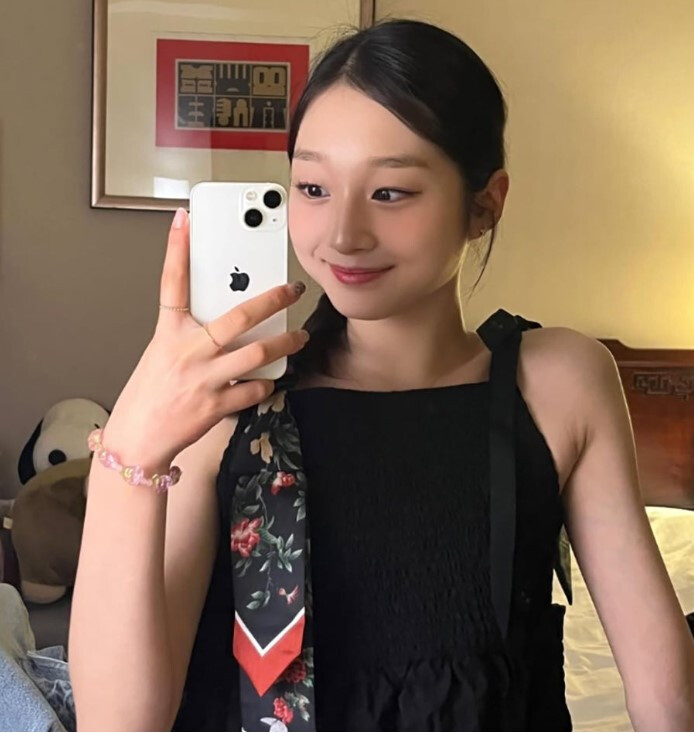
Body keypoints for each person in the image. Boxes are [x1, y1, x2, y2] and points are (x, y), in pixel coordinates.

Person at [69, 17, 694, 733]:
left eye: (390, 193)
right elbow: (119, 721)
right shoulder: (234, 399)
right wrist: (133, 448)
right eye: (312, 187)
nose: (343, 234)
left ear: (485, 204)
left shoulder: (560, 382)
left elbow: (666, 697)